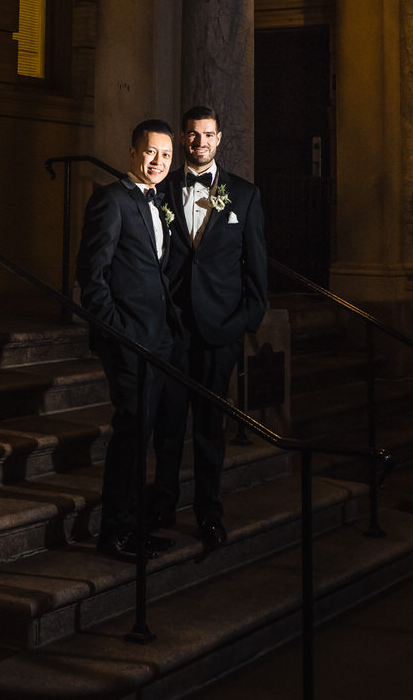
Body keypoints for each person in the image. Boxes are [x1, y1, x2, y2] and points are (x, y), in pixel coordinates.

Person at [151, 104, 268, 549]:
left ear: (220, 140)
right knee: (167, 426)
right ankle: (161, 504)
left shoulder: (244, 195)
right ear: (183, 139)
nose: (200, 142)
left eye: (208, 135)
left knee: (209, 429)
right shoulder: (160, 189)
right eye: (192, 135)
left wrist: (244, 323)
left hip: (220, 333)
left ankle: (207, 512)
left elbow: (256, 271)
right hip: (171, 329)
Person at [76, 118, 180, 560]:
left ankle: (134, 527)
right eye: (151, 152)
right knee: (131, 433)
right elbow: (91, 276)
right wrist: (115, 331)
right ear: (134, 152)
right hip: (127, 342)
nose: (158, 162)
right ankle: (114, 533)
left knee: (146, 435)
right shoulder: (111, 200)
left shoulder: (160, 203)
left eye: (166, 155)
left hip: (159, 340)